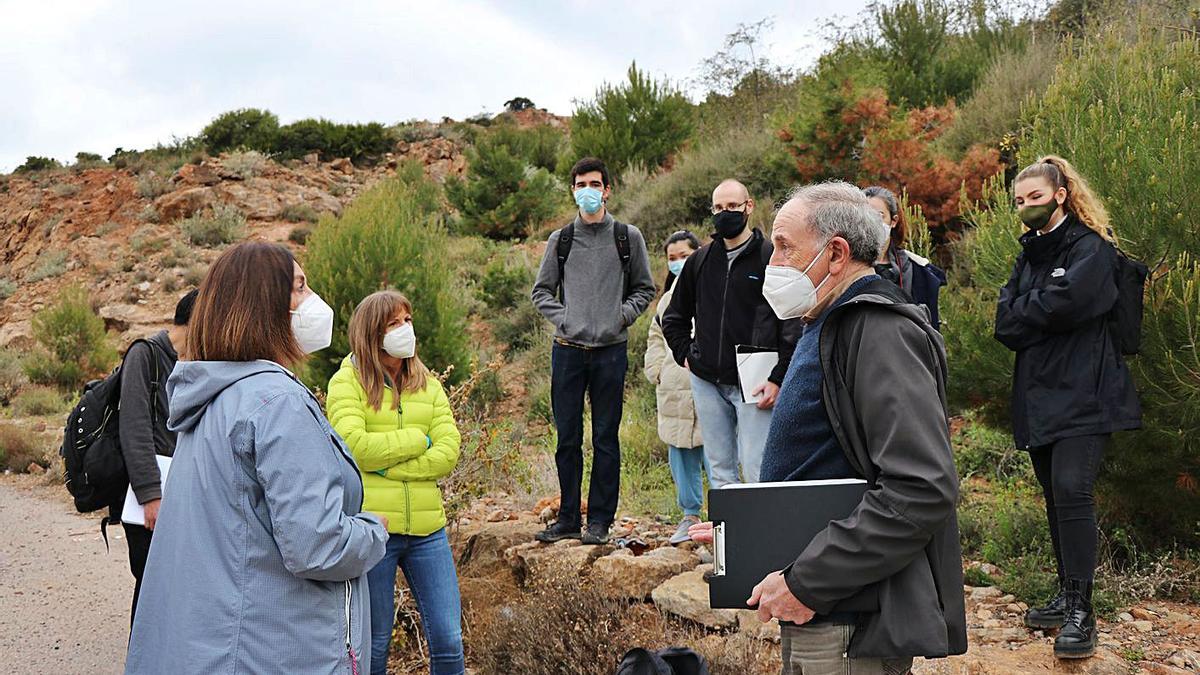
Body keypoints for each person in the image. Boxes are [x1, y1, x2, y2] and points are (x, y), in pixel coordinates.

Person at [692, 181, 966, 674]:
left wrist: (808, 583)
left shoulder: (879, 330)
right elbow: (827, 465)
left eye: (784, 246)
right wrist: (752, 535)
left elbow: (921, 488)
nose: (772, 262)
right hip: (827, 609)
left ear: (836, 254)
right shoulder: (827, 322)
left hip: (850, 622)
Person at [125, 242, 388, 675]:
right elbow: (315, 546)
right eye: (299, 287)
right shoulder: (276, 402)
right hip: (274, 650)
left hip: (224, 644)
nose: (313, 301)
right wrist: (371, 530)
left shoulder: (212, 397)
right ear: (264, 306)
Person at [994, 156, 1141, 660]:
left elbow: (1072, 302)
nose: (1026, 206)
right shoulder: (1027, 255)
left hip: (1087, 392)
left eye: (1035, 196)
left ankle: (1082, 612)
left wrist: (1030, 309)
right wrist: (1039, 309)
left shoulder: (1092, 249)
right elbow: (1005, 324)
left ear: (1059, 195)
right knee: (1055, 499)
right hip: (1039, 396)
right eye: (1019, 200)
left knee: (1072, 491)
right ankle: (1065, 594)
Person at [326, 291, 464, 675]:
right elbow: (353, 447)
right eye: (394, 323)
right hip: (373, 531)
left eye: (408, 320)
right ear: (373, 333)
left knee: (449, 639)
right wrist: (418, 441)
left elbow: (449, 451)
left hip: (428, 530)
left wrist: (387, 468)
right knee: (375, 643)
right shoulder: (346, 383)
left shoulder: (428, 384)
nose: (406, 330)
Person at [530, 157, 656, 545]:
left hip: (610, 352)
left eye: (595, 183)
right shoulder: (561, 240)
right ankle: (568, 517)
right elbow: (541, 293)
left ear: (607, 189)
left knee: (605, 438)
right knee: (567, 438)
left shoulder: (627, 236)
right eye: (581, 184)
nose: (588, 190)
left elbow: (644, 289)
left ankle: (599, 521)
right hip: (567, 350)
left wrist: (620, 317)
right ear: (573, 190)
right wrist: (565, 319)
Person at [661, 179, 798, 487]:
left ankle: (763, 535)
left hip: (756, 383)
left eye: (732, 206)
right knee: (719, 470)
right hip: (707, 379)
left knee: (757, 467)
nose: (725, 213)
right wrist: (687, 355)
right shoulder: (700, 261)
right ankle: (727, 534)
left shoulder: (770, 258)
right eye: (719, 208)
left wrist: (778, 376)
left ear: (748, 207)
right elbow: (674, 317)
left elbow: (791, 321)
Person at [116, 288, 196, 626]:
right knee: (151, 587)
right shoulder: (145, 354)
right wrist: (150, 495)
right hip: (151, 499)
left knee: (178, 588)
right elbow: (134, 428)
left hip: (182, 494)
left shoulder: (193, 363)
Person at [644, 230, 709, 544]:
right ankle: (690, 516)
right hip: (674, 389)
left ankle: (725, 521)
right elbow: (655, 337)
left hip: (709, 385)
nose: (679, 263)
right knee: (681, 456)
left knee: (718, 455)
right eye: (672, 258)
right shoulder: (667, 300)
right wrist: (658, 370)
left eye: (684, 255)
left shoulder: (715, 289)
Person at [862, 186, 947, 329]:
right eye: (865, 216)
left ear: (893, 221)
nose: (871, 223)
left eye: (878, 216)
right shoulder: (844, 267)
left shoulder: (918, 270)